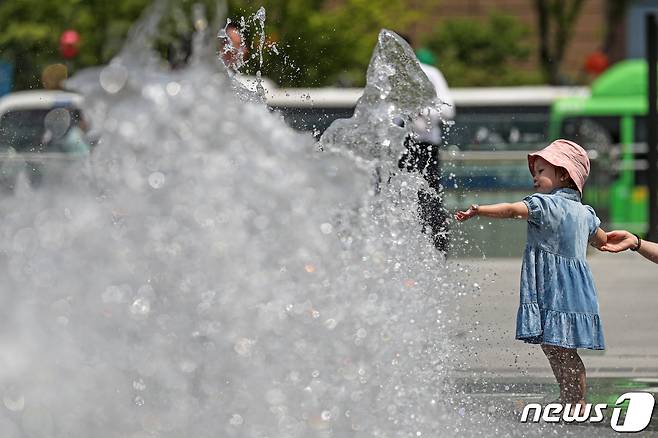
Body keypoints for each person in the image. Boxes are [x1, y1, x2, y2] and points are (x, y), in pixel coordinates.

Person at [455, 139, 607, 410]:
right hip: (576, 287)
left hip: (554, 287)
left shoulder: (544, 206)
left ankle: (578, 401)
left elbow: (513, 210)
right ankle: (571, 398)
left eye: (541, 171)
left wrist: (480, 210)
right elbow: (602, 239)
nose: (535, 178)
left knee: (558, 348)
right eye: (534, 172)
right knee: (558, 346)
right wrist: (623, 242)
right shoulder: (585, 213)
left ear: (563, 174)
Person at [398, 34, 454, 252]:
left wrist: (420, 111)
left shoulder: (429, 74)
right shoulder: (385, 77)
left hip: (424, 146)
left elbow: (448, 109)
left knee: (429, 197)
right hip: (396, 147)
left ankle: (437, 248)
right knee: (398, 199)